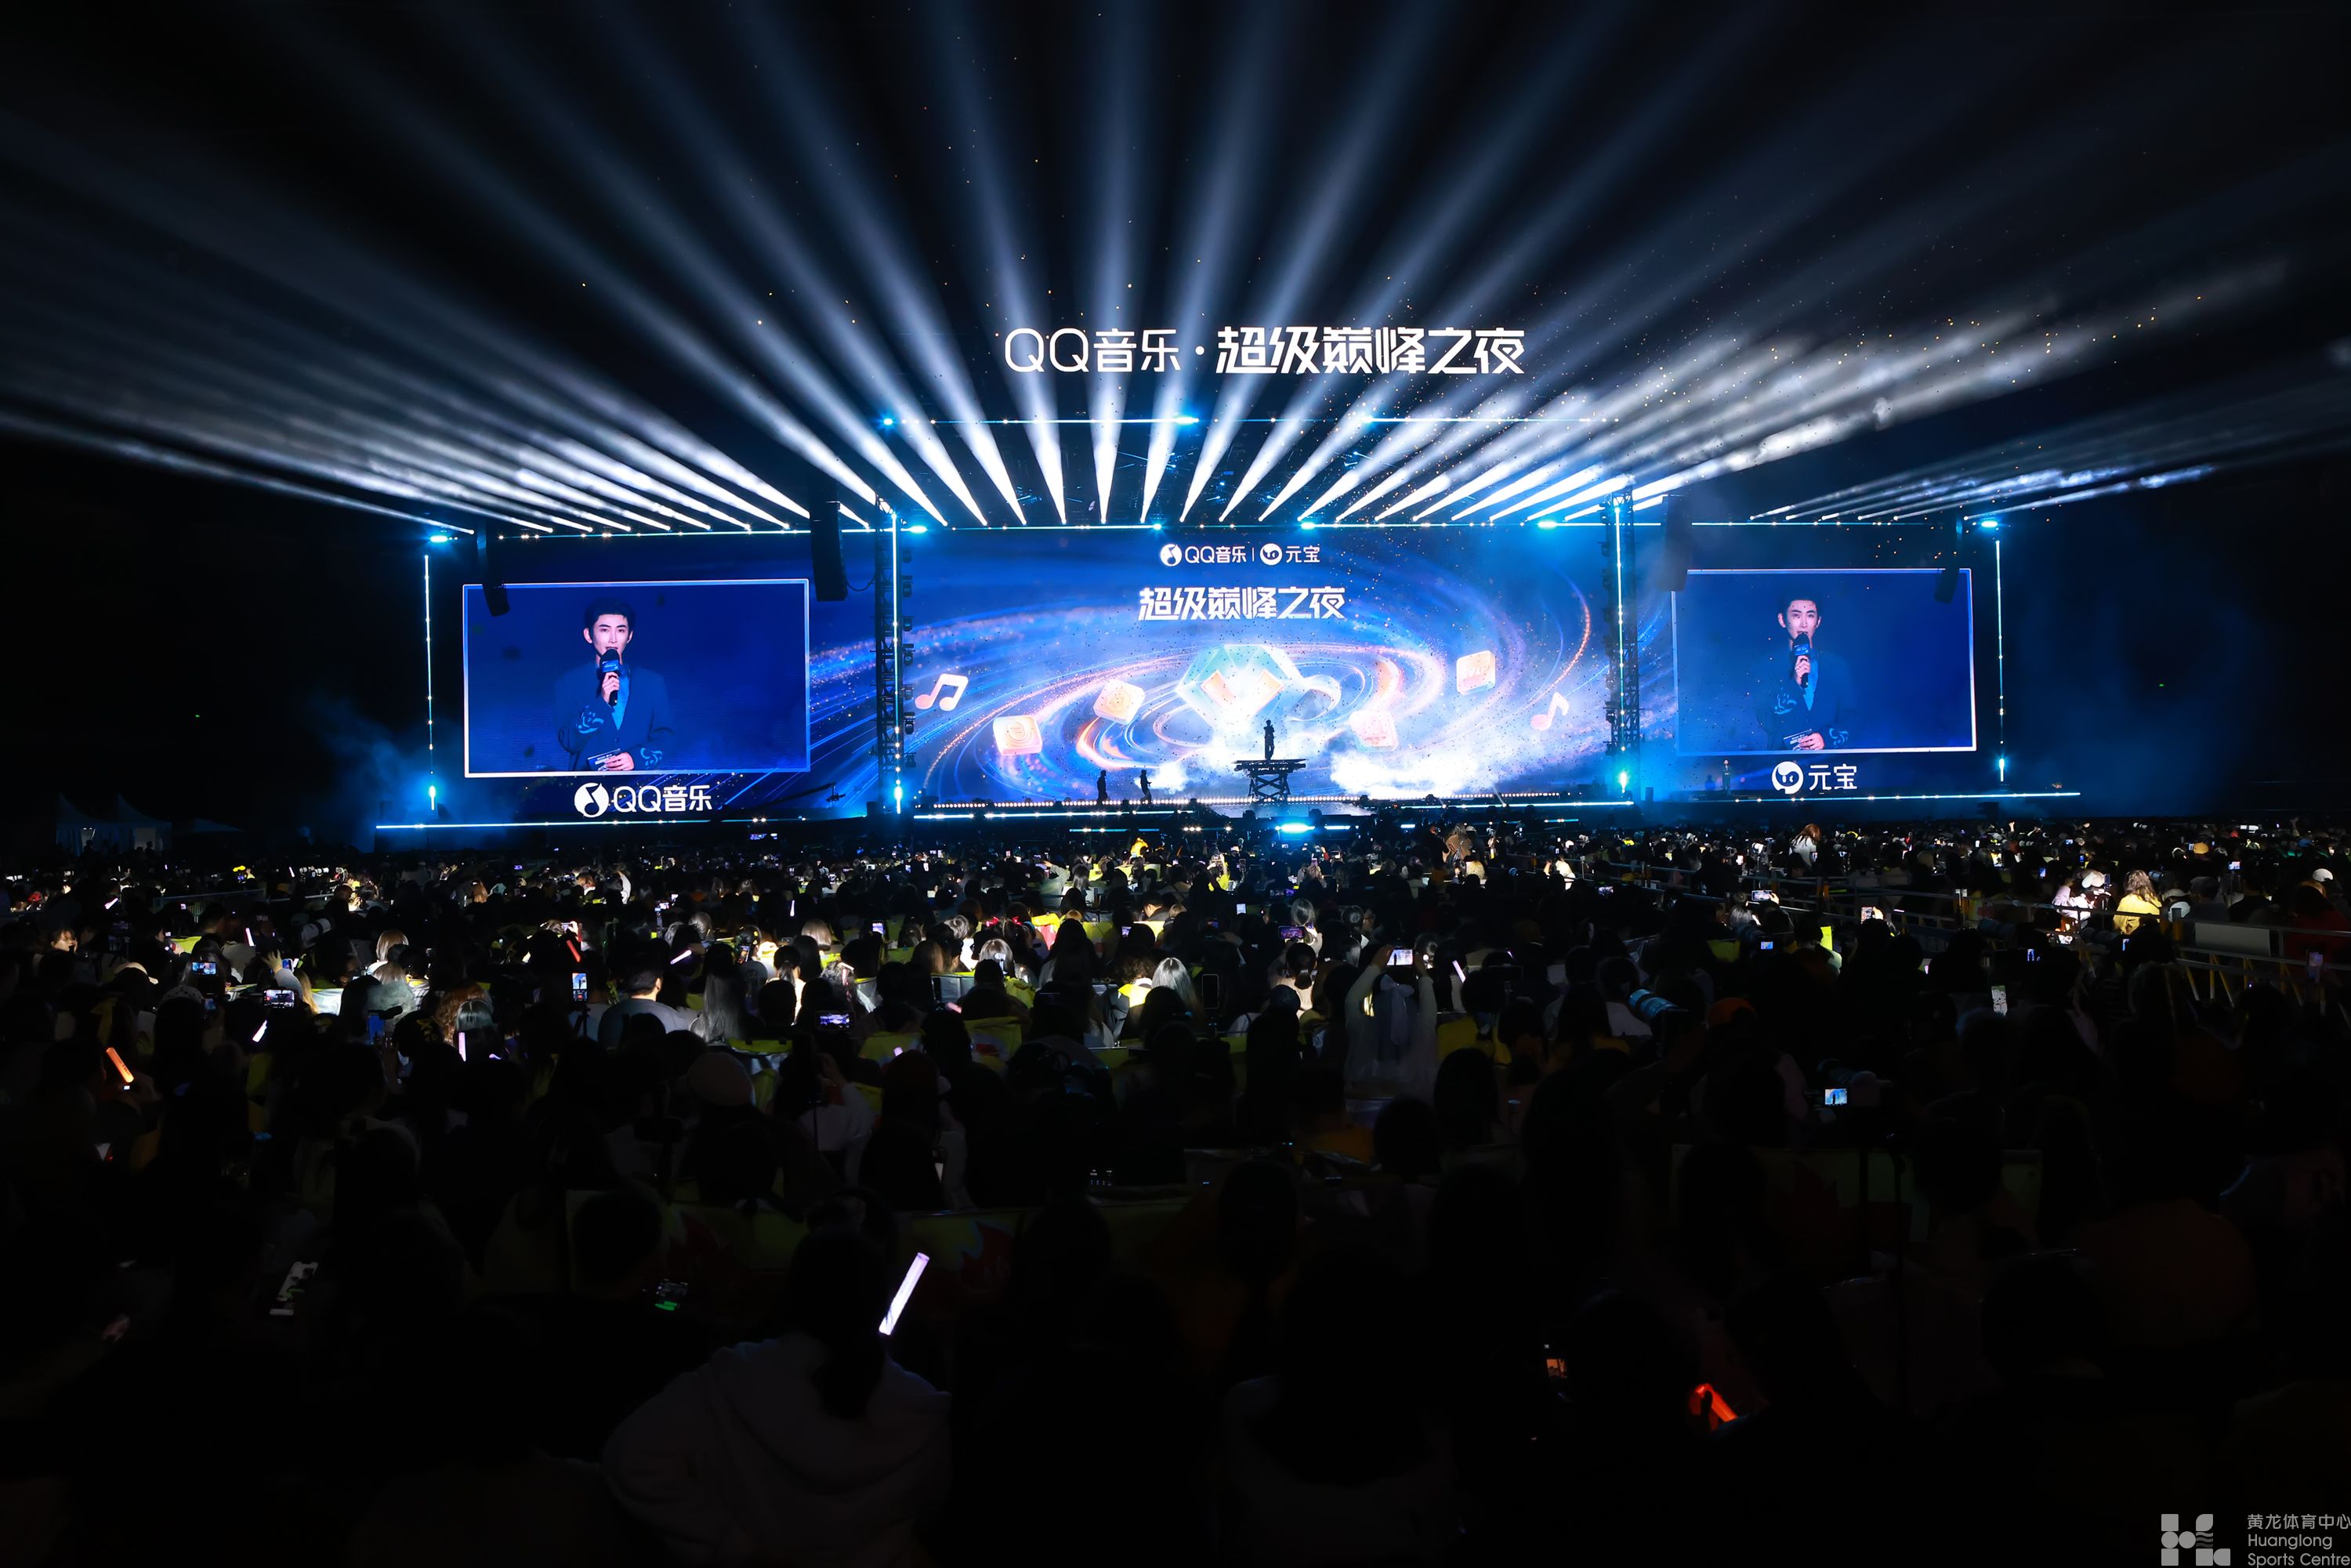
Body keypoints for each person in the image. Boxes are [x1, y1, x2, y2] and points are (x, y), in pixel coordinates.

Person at [602, 1229, 951, 1563]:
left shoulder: (728, 1382)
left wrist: (732, 1544)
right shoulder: (921, 1411)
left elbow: (630, 1457)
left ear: (792, 1294)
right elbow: (932, 1508)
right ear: (881, 1300)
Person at [554, 597, 676, 773]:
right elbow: (569, 741)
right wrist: (601, 703)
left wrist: (636, 759)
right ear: (588, 635)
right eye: (604, 630)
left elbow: (665, 737)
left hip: (636, 784)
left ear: (629, 636)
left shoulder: (652, 682)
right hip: (587, 785)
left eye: (620, 630)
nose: (613, 639)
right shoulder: (569, 683)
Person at [1748, 586, 1854, 751]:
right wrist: (1794, 685)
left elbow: (1853, 717)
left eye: (1810, 616)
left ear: (1818, 621)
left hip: (1828, 761)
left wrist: (1826, 738)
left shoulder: (1836, 665)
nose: (1804, 624)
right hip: (1783, 761)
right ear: (1782, 620)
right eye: (1796, 615)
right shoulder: (1767, 666)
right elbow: (1766, 720)